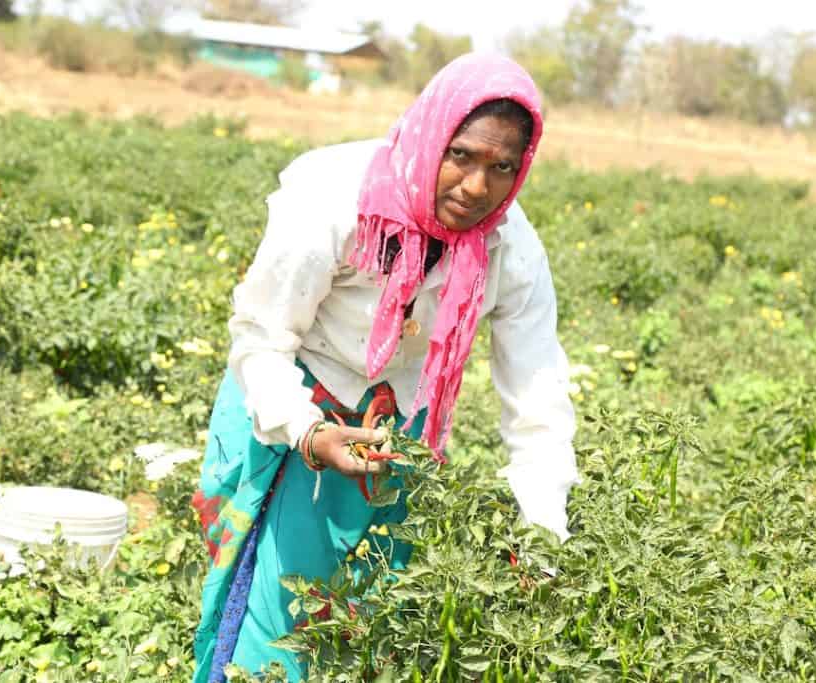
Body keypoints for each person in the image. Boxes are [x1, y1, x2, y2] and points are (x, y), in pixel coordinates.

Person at [191, 52, 580, 681]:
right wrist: (309, 433)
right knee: (279, 622)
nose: (477, 188)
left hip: (402, 425)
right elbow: (260, 339)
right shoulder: (333, 198)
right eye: (461, 155)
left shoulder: (510, 247)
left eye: (502, 167)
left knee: (382, 617)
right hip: (295, 405)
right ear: (432, 134)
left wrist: (544, 538)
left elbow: (537, 398)